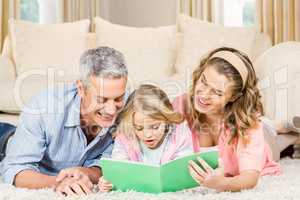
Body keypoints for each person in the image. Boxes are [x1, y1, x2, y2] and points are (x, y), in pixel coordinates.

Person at [1, 47, 128, 196]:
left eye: (119, 98)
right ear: (81, 88)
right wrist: (58, 182)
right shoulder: (43, 108)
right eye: (101, 99)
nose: (112, 110)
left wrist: (85, 173)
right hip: (5, 140)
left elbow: (106, 165)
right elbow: (15, 169)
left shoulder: (129, 111)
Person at [172, 47, 282, 192]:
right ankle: (277, 126)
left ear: (234, 97)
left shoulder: (247, 124)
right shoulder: (182, 104)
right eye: (203, 81)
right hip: (256, 130)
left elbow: (250, 177)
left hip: (265, 145)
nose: (204, 95)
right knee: (267, 127)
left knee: (276, 141)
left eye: (217, 92)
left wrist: (221, 184)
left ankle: (284, 129)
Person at [98, 84, 193, 192]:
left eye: (155, 127)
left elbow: (185, 168)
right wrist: (108, 182)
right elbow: (118, 170)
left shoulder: (180, 135)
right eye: (139, 128)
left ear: (167, 120)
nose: (147, 135)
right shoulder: (126, 137)